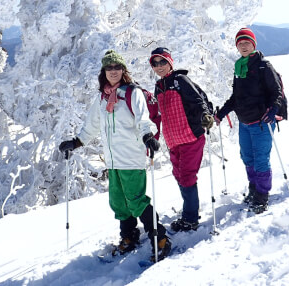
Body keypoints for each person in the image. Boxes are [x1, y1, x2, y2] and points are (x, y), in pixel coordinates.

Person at [59, 50, 171, 261]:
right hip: (112, 160)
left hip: (131, 157)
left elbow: (142, 117)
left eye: (117, 67)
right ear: (104, 71)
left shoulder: (132, 93)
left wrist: (148, 135)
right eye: (109, 68)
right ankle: (129, 235)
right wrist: (76, 142)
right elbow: (91, 125)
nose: (113, 71)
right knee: (119, 202)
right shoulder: (102, 98)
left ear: (123, 70)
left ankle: (161, 238)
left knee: (136, 201)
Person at [214, 27, 285, 214]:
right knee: (247, 158)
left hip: (262, 122)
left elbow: (276, 92)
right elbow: (236, 97)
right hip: (244, 122)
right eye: (240, 43)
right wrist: (222, 113)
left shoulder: (263, 66)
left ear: (254, 44)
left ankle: (262, 195)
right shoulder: (239, 67)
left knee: (261, 160)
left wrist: (273, 110)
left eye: (247, 43)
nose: (244, 46)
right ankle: (254, 188)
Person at [149, 47, 214, 232]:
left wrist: (205, 116)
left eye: (162, 62)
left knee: (186, 177)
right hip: (173, 140)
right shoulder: (159, 86)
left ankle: (190, 218)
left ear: (170, 62)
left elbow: (197, 100)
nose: (159, 66)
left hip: (190, 136)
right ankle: (190, 208)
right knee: (179, 175)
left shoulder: (180, 80)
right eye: (155, 63)